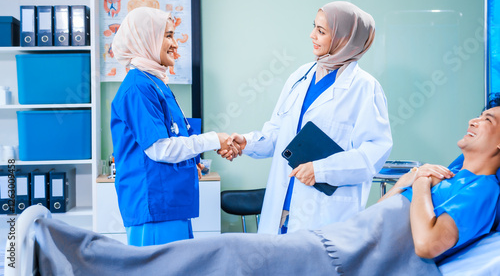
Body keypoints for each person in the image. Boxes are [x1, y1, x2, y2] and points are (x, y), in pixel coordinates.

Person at [33, 100, 500, 275]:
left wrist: (417, 184)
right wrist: (240, 142)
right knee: (212, 258)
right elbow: (278, 133)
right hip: (340, 238)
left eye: (489, 119)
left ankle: (70, 253)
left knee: (220, 257)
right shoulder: (456, 170)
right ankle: (71, 252)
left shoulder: (482, 190)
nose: (475, 119)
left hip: (344, 252)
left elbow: (426, 241)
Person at [221, 1, 393, 234]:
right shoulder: (300, 76)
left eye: (321, 31)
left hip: (325, 215)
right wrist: (248, 142)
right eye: (314, 27)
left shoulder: (364, 88)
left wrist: (321, 170)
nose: (312, 35)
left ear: (345, 39)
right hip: (281, 211)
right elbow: (279, 133)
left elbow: (373, 154)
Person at [110, 7, 238, 246]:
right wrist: (214, 139)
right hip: (154, 206)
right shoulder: (138, 87)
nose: (175, 44)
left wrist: (192, 161)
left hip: (169, 204)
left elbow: (173, 136)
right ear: (146, 38)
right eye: (168, 35)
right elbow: (160, 149)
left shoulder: (155, 83)